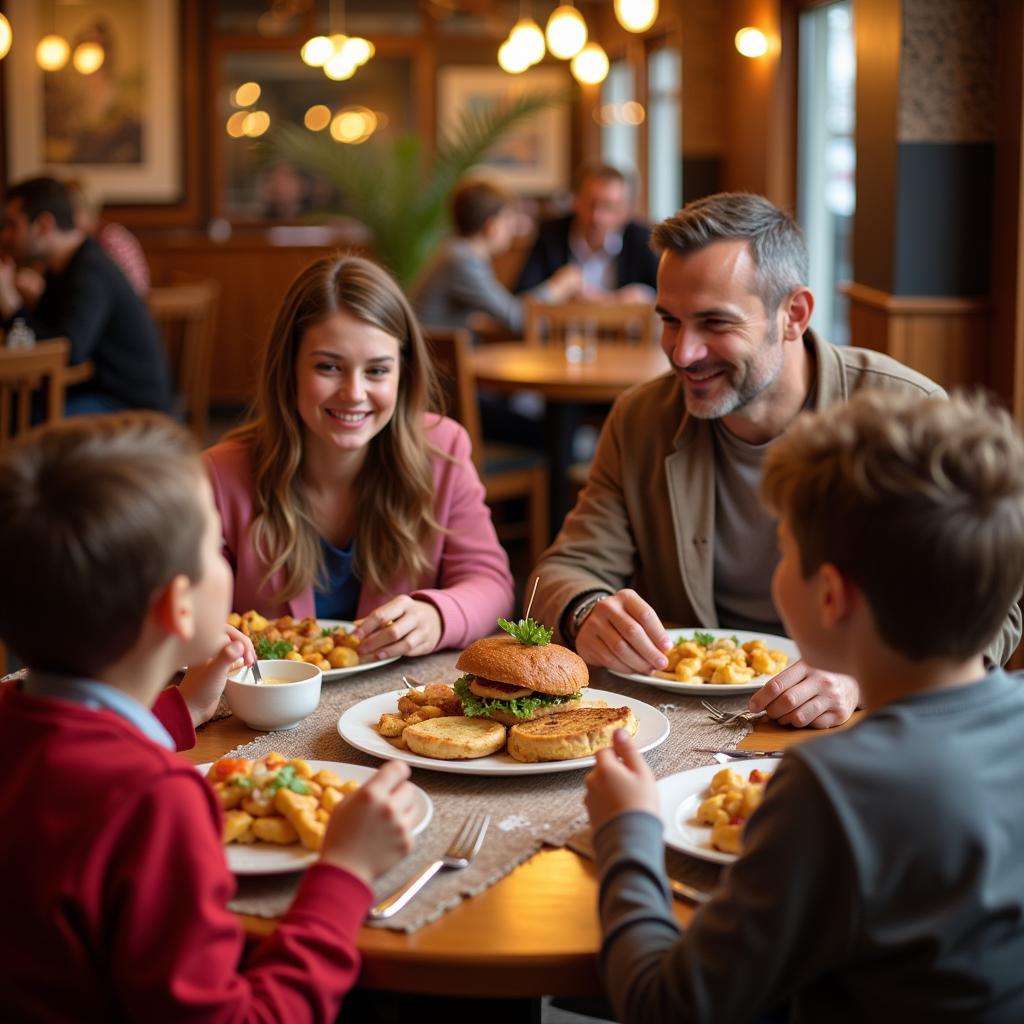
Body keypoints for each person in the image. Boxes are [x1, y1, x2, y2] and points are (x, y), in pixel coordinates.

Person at [584, 389, 1024, 1023]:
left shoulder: (832, 788)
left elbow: (665, 1006)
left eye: (785, 550)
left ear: (831, 598)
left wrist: (627, 831)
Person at [530, 191, 1022, 728]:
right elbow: (564, 569)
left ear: (795, 314)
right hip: (685, 719)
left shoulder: (909, 414)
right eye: (670, 320)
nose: (682, 352)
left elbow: (997, 609)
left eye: (715, 324)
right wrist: (585, 612)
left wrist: (871, 677)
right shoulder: (639, 418)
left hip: (861, 722)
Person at [0, 412, 422, 1021]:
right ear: (178, 605)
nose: (225, 560)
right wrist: (345, 872)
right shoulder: (156, 804)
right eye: (212, 547)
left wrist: (185, 711)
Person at [204, 254, 514, 660]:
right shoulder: (220, 473)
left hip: (392, 705)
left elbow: (491, 583)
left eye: (377, 371)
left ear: (402, 373)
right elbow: (182, 607)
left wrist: (438, 616)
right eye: (329, 366)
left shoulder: (443, 449)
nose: (354, 392)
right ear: (290, 367)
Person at [0, 176, 171, 415]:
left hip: (133, 410)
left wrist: (11, 306)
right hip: (97, 392)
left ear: (44, 226)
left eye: (12, 225)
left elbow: (68, 351)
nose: (5, 236)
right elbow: (43, 335)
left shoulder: (90, 269)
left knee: (23, 417)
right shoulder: (61, 267)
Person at [411, 177, 580, 335]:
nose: (512, 229)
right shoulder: (463, 259)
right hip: (434, 361)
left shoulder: (458, 251)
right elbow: (517, 318)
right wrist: (558, 286)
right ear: (491, 226)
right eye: (507, 219)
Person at [515, 163, 659, 301]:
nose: (597, 217)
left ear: (626, 211)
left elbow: (667, 300)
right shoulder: (551, 234)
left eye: (608, 207)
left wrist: (611, 300)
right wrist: (557, 288)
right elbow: (523, 300)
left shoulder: (642, 238)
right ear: (575, 201)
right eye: (590, 204)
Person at [66, 177, 150, 296]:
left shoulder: (112, 239)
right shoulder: (84, 240)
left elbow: (132, 290)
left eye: (67, 212)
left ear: (84, 210)